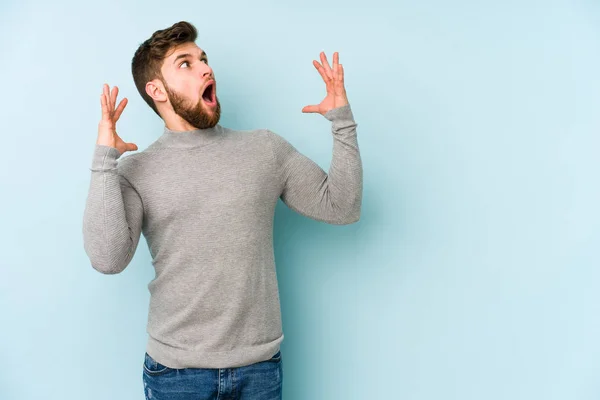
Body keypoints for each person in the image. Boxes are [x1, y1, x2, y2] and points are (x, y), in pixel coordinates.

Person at [82, 20, 363, 400]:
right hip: (175, 375)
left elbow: (342, 207)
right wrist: (105, 161)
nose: (205, 68)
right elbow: (108, 258)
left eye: (203, 59)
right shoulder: (137, 170)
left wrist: (341, 121)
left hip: (260, 369)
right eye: (185, 63)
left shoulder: (265, 150)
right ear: (156, 90)